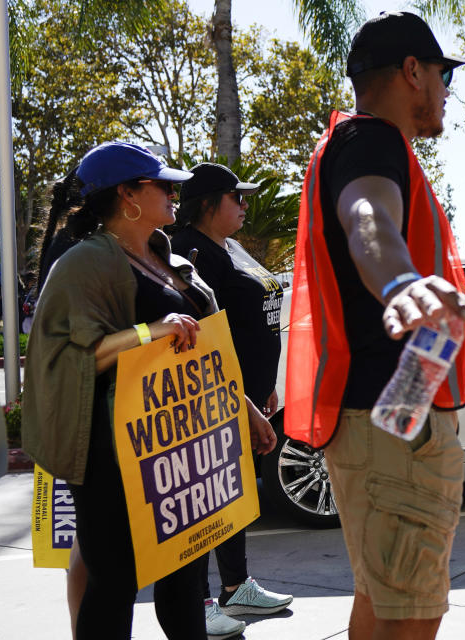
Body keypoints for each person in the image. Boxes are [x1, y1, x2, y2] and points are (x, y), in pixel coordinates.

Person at [282, 12, 465, 640]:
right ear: (411, 72)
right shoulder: (373, 142)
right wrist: (399, 282)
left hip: (385, 412)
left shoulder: (346, 141)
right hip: (393, 420)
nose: (446, 89)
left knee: (383, 598)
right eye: (443, 74)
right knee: (411, 612)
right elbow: (367, 216)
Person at [21, 141, 276, 640]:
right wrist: (150, 331)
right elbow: (71, 355)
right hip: (110, 456)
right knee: (113, 584)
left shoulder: (171, 257)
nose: (174, 192)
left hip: (181, 453)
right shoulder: (85, 263)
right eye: (163, 184)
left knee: (184, 583)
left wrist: (246, 410)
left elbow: (208, 349)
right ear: (128, 194)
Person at [170, 163, 292, 638]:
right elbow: (202, 341)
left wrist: (266, 384)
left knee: (233, 497)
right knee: (203, 499)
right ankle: (197, 601)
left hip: (249, 395)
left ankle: (236, 586)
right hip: (213, 400)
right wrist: (242, 398)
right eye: (235, 198)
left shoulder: (234, 247)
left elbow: (256, 320)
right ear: (207, 204)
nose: (244, 205)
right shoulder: (189, 254)